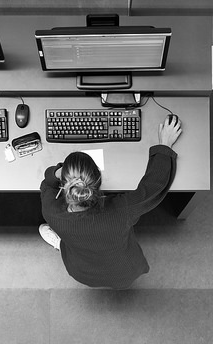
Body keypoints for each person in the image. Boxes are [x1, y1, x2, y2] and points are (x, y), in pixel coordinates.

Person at [39, 115, 182, 289]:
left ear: (65, 184)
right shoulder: (122, 210)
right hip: (123, 273)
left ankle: (60, 242)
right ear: (98, 179)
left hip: (81, 273)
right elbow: (153, 188)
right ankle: (62, 242)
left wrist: (60, 172)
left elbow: (47, 183)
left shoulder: (51, 211)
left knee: (68, 240)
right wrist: (164, 145)